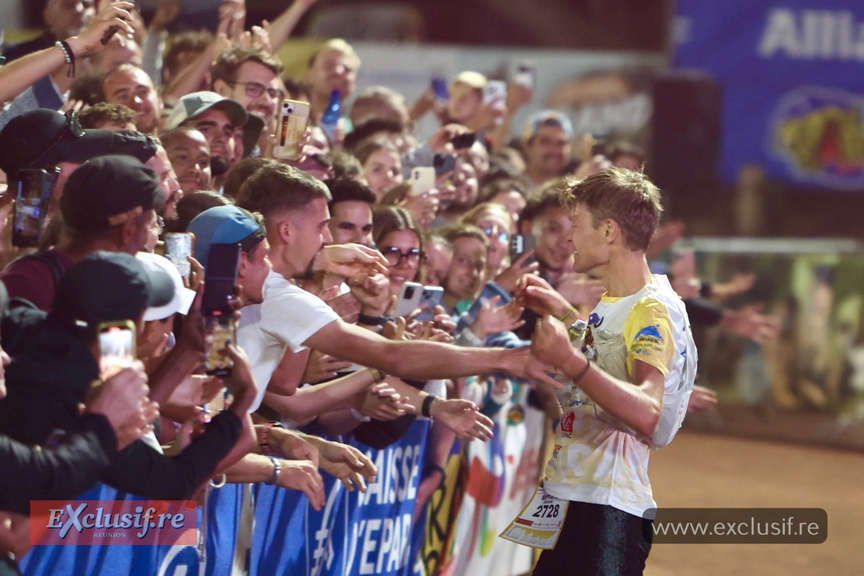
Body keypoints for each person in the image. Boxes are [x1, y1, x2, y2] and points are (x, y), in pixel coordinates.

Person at [229, 163, 556, 418]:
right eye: (321, 228)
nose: (327, 239)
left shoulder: (254, 281)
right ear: (286, 231)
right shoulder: (280, 296)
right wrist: (505, 359)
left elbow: (288, 392)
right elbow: (394, 355)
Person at [520, 168, 698, 575]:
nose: (569, 238)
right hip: (584, 504)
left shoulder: (650, 309)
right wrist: (563, 313)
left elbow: (647, 411)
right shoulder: (623, 302)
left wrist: (569, 361)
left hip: (606, 514)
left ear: (609, 232)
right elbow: (608, 358)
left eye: (577, 225)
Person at [0, 154, 163, 313]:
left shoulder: (29, 278)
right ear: (129, 230)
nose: (144, 240)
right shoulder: (29, 284)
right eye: (148, 226)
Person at [521, 110, 573, 188]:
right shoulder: (512, 187)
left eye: (561, 143)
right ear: (528, 147)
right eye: (546, 142)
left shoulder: (573, 187)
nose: (554, 150)